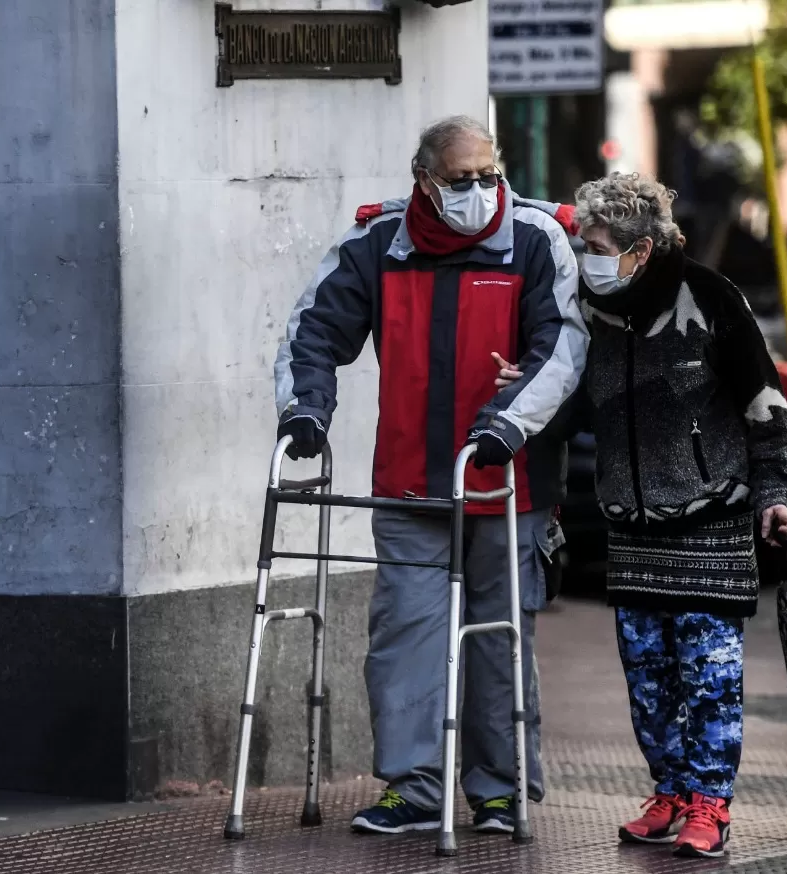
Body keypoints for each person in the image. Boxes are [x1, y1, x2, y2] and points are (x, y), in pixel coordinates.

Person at [273, 116, 588, 835]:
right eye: (461, 180)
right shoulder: (378, 245)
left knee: (498, 639)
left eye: (489, 176)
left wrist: (505, 425)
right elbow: (312, 331)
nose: (479, 191)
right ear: (424, 179)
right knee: (404, 639)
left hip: (509, 484)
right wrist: (305, 411)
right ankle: (413, 789)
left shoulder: (536, 241)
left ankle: (500, 792)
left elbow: (562, 349)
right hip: (411, 483)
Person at [494, 172, 787, 858]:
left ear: (640, 248)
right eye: (583, 242)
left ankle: (710, 805)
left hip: (711, 526)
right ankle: (669, 792)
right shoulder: (594, 309)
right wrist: (533, 391)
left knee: (710, 680)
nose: (586, 255)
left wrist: (777, 494)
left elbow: (766, 410)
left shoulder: (713, 299)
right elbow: (582, 402)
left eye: (598, 244)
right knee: (648, 681)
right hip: (631, 529)